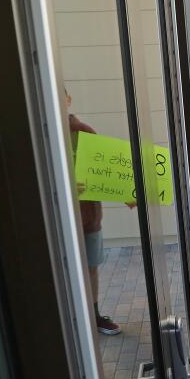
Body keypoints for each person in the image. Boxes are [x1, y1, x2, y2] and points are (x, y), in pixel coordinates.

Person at [67, 90, 121, 335]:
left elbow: (104, 171)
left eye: (62, 96)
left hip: (88, 217)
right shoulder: (39, 137)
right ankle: (73, 316)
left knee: (90, 266)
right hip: (60, 220)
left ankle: (94, 314)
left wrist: (125, 192)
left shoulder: (84, 132)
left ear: (69, 100)